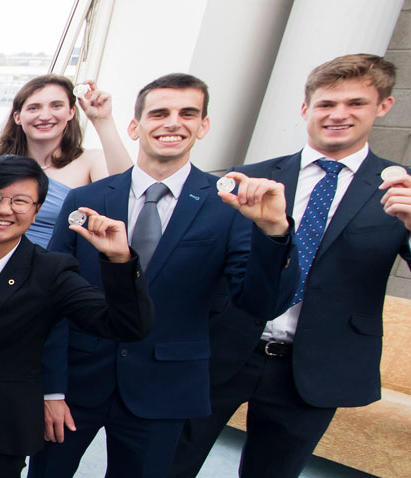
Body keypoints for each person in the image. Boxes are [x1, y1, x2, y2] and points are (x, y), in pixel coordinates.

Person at [170, 54, 411, 478]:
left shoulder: (410, 189)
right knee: (168, 463)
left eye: (355, 103)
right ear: (306, 110)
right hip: (223, 351)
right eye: (326, 104)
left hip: (315, 367)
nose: (338, 115)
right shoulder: (250, 177)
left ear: (383, 107)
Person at [29, 73, 294, 478]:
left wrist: (273, 233)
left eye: (187, 113)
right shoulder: (87, 198)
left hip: (165, 384)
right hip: (78, 380)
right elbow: (53, 298)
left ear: (203, 125)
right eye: (159, 113)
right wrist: (51, 387)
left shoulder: (227, 207)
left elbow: (260, 304)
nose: (173, 122)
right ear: (135, 126)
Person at [0, 156, 154, 477]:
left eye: (20, 201)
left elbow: (128, 326)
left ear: (37, 210)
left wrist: (120, 260)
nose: (4, 209)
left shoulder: (52, 271)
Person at [0, 75, 131, 246]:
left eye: (56, 106)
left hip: (60, 268)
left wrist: (102, 120)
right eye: (34, 108)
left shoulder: (91, 161)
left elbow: (129, 191)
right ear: (18, 117)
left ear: (71, 112)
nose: (44, 116)